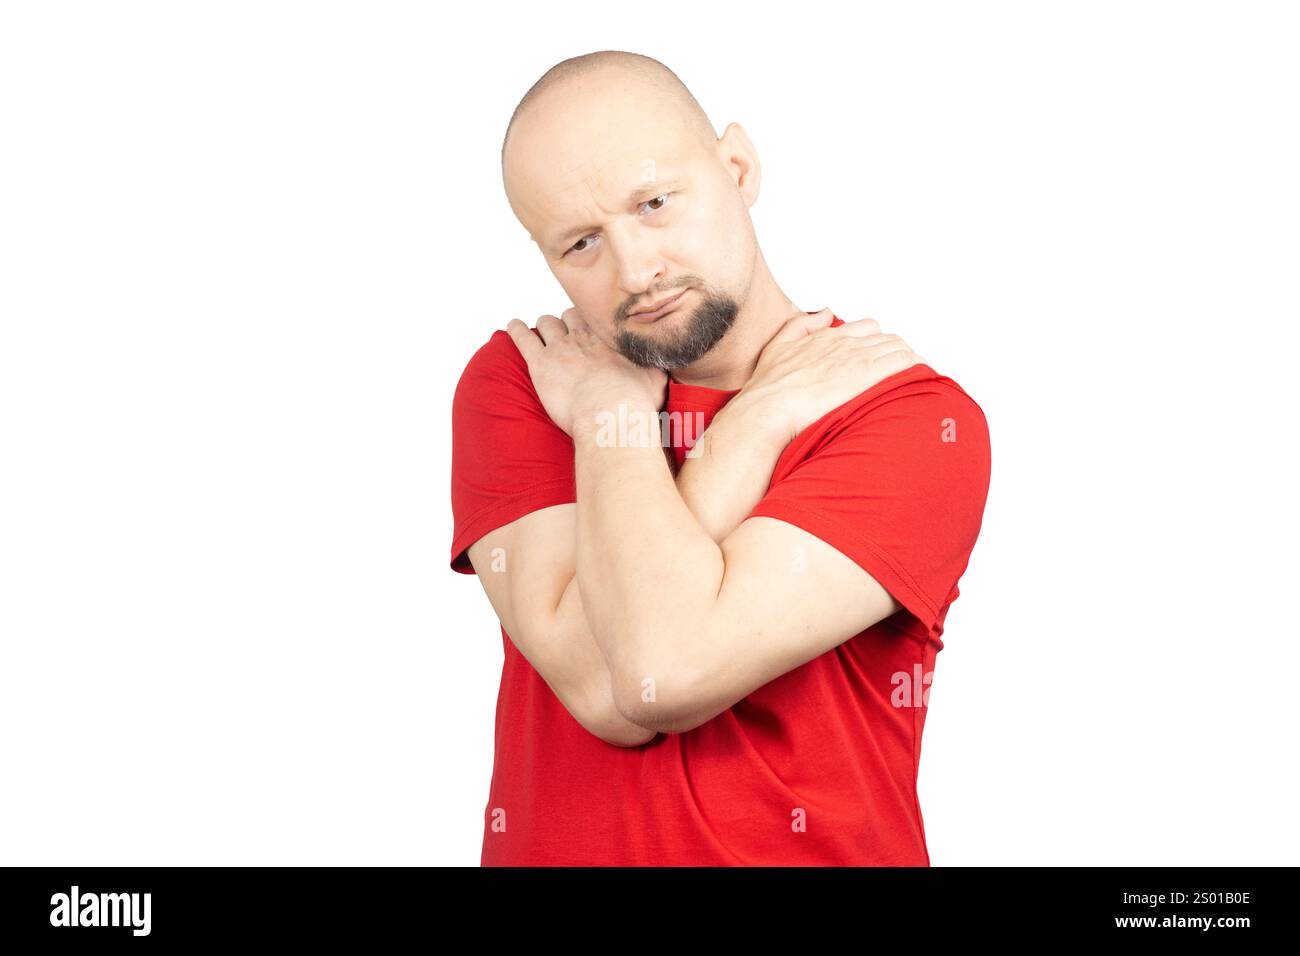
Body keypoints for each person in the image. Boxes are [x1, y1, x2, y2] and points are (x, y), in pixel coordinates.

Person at [450, 50, 991, 865]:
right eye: (580, 244)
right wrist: (635, 418)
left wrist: (625, 427)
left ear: (736, 166)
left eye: (655, 203)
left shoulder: (905, 416)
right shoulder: (533, 378)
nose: (638, 270)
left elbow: (654, 672)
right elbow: (600, 688)